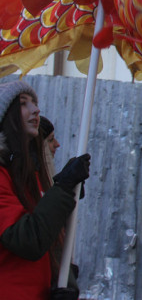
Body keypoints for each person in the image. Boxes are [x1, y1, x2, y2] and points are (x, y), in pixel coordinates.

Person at [0, 80, 91, 300]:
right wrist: (63, 189)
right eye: (23, 103)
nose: (36, 109)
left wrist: (63, 284)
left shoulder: (29, 175)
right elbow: (28, 238)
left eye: (35, 102)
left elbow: (53, 240)